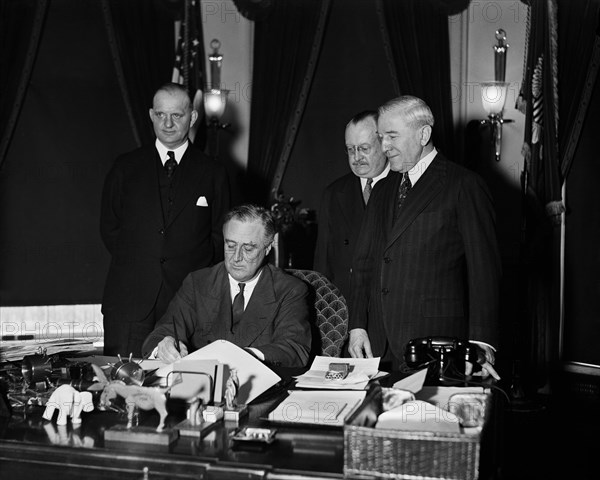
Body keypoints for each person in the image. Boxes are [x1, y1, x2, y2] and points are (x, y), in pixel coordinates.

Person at [348, 95, 502, 379]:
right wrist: (357, 325)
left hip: (440, 345)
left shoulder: (463, 185)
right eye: (381, 137)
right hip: (380, 345)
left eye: (392, 136)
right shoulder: (382, 190)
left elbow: (485, 271)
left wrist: (481, 343)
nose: (384, 146)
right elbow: (364, 263)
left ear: (424, 134)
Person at [100, 82, 230, 357]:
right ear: (151, 115)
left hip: (189, 304)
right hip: (129, 303)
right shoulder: (125, 168)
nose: (167, 123)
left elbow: (222, 234)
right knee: (123, 389)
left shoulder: (214, 172)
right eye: (160, 115)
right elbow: (110, 228)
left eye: (177, 115)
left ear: (193, 117)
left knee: (186, 390)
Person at [142, 204, 312, 368]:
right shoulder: (198, 282)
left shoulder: (290, 290)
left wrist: (244, 356)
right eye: (230, 246)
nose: (236, 257)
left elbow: (295, 349)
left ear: (268, 248)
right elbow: (161, 334)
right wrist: (163, 347)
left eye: (248, 248)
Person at [313, 111, 390, 298]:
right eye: (350, 149)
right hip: (346, 306)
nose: (356, 157)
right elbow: (323, 264)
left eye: (364, 148)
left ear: (384, 144)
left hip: (391, 307)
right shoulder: (334, 193)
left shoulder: (406, 187)